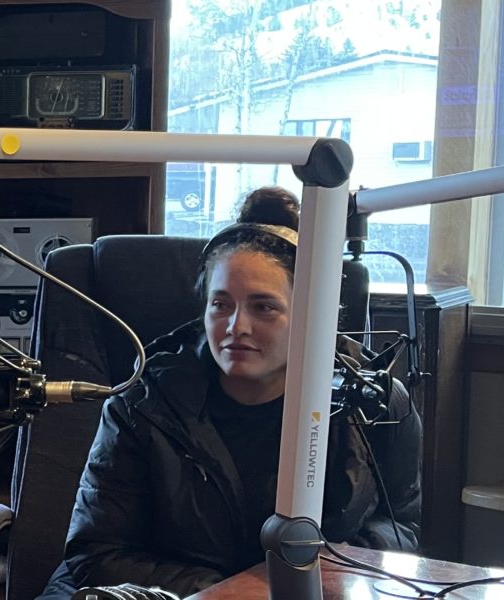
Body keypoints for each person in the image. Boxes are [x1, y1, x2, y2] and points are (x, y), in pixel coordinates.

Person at [39, 188, 423, 599]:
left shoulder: (376, 404)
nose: (236, 327)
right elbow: (95, 553)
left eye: (263, 307)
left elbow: (401, 528)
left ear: (314, 314)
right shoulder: (143, 403)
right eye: (221, 305)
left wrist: (321, 576)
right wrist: (238, 591)